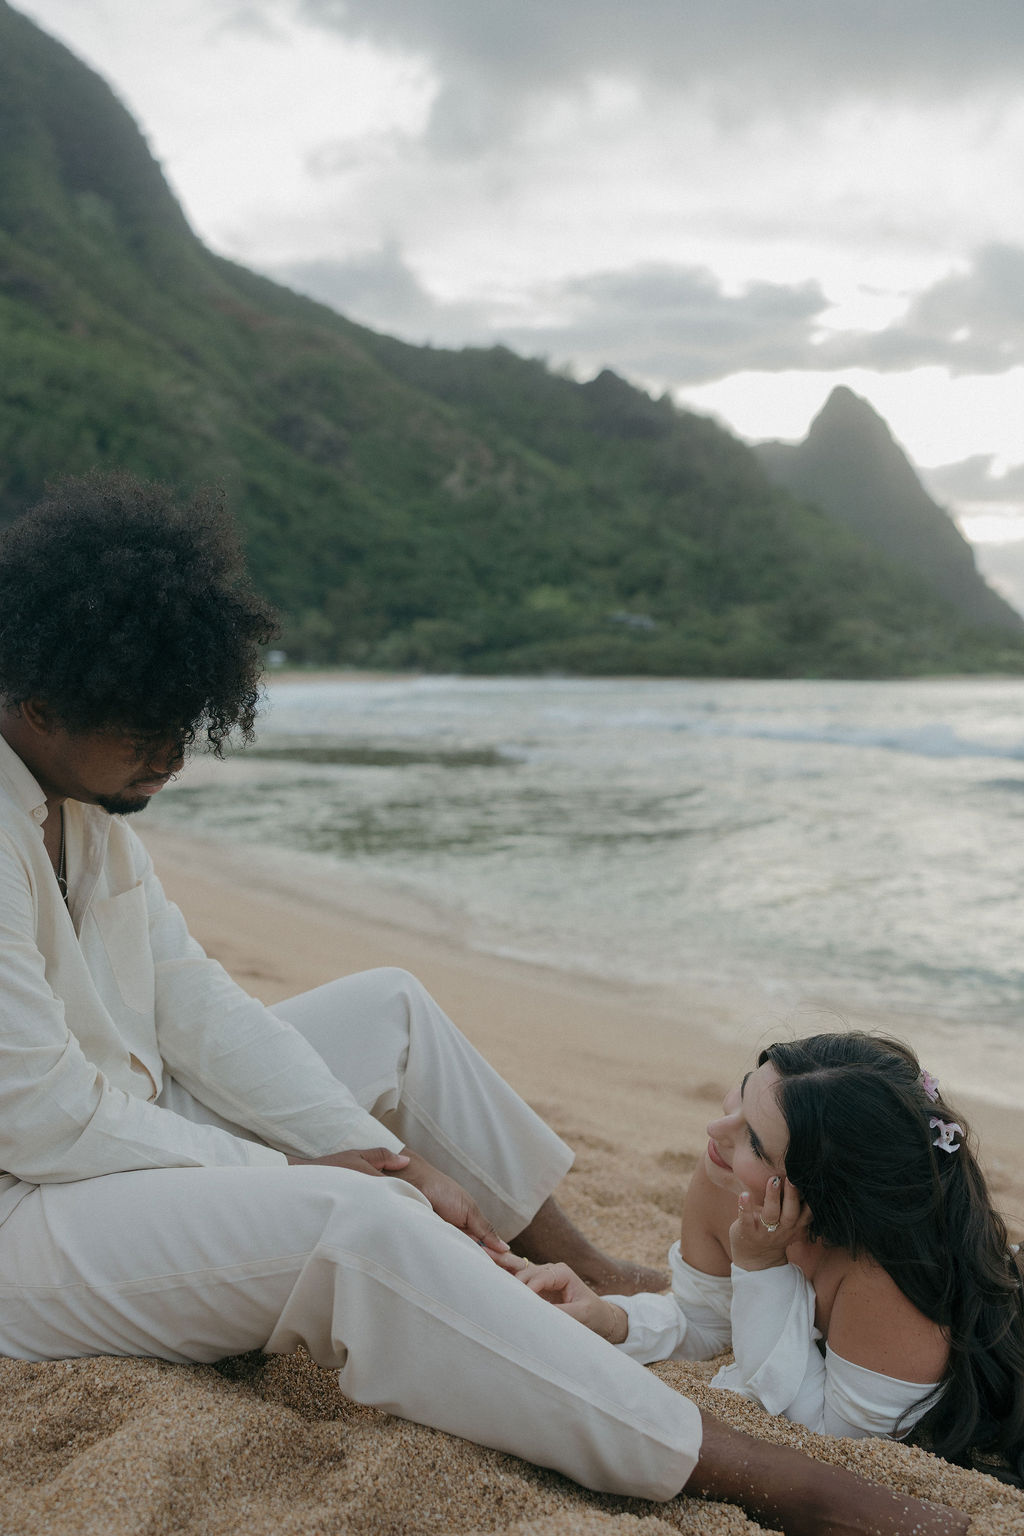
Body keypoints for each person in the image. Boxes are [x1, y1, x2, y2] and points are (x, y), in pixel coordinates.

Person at [0, 471, 967, 1536]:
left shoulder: (86, 815)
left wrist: (391, 1152)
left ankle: (582, 1266)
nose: (175, 759)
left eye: (187, 727)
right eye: (148, 735)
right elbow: (47, 1119)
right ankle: (753, 1472)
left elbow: (196, 1007)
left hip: (117, 1145)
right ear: (40, 703)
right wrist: (332, 1169)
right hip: (27, 1217)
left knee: (391, 1011)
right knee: (354, 1223)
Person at [510, 1032, 1024, 1482]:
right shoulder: (727, 1177)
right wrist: (615, 1320)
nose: (716, 1129)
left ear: (824, 1195)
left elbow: (831, 1439)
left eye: (753, 1140)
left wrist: (761, 1268)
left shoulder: (885, 1278)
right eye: (744, 1090)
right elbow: (709, 1321)